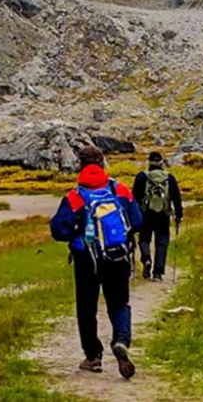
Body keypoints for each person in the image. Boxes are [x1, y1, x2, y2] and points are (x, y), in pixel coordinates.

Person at [50, 146, 143, 379]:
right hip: (118, 256)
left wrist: (76, 233)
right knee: (119, 303)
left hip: (86, 259)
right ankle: (121, 341)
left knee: (86, 307)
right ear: (103, 163)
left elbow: (57, 229)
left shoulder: (75, 196)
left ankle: (93, 357)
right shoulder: (119, 189)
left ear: (80, 165)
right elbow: (138, 220)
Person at [133, 152, 183, 282]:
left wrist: (134, 215)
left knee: (144, 239)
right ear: (161, 162)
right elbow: (176, 198)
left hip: (145, 213)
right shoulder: (169, 178)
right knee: (162, 241)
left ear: (149, 162)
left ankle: (146, 258)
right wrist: (179, 215)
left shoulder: (141, 177)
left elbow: (134, 197)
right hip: (163, 214)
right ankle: (158, 273)